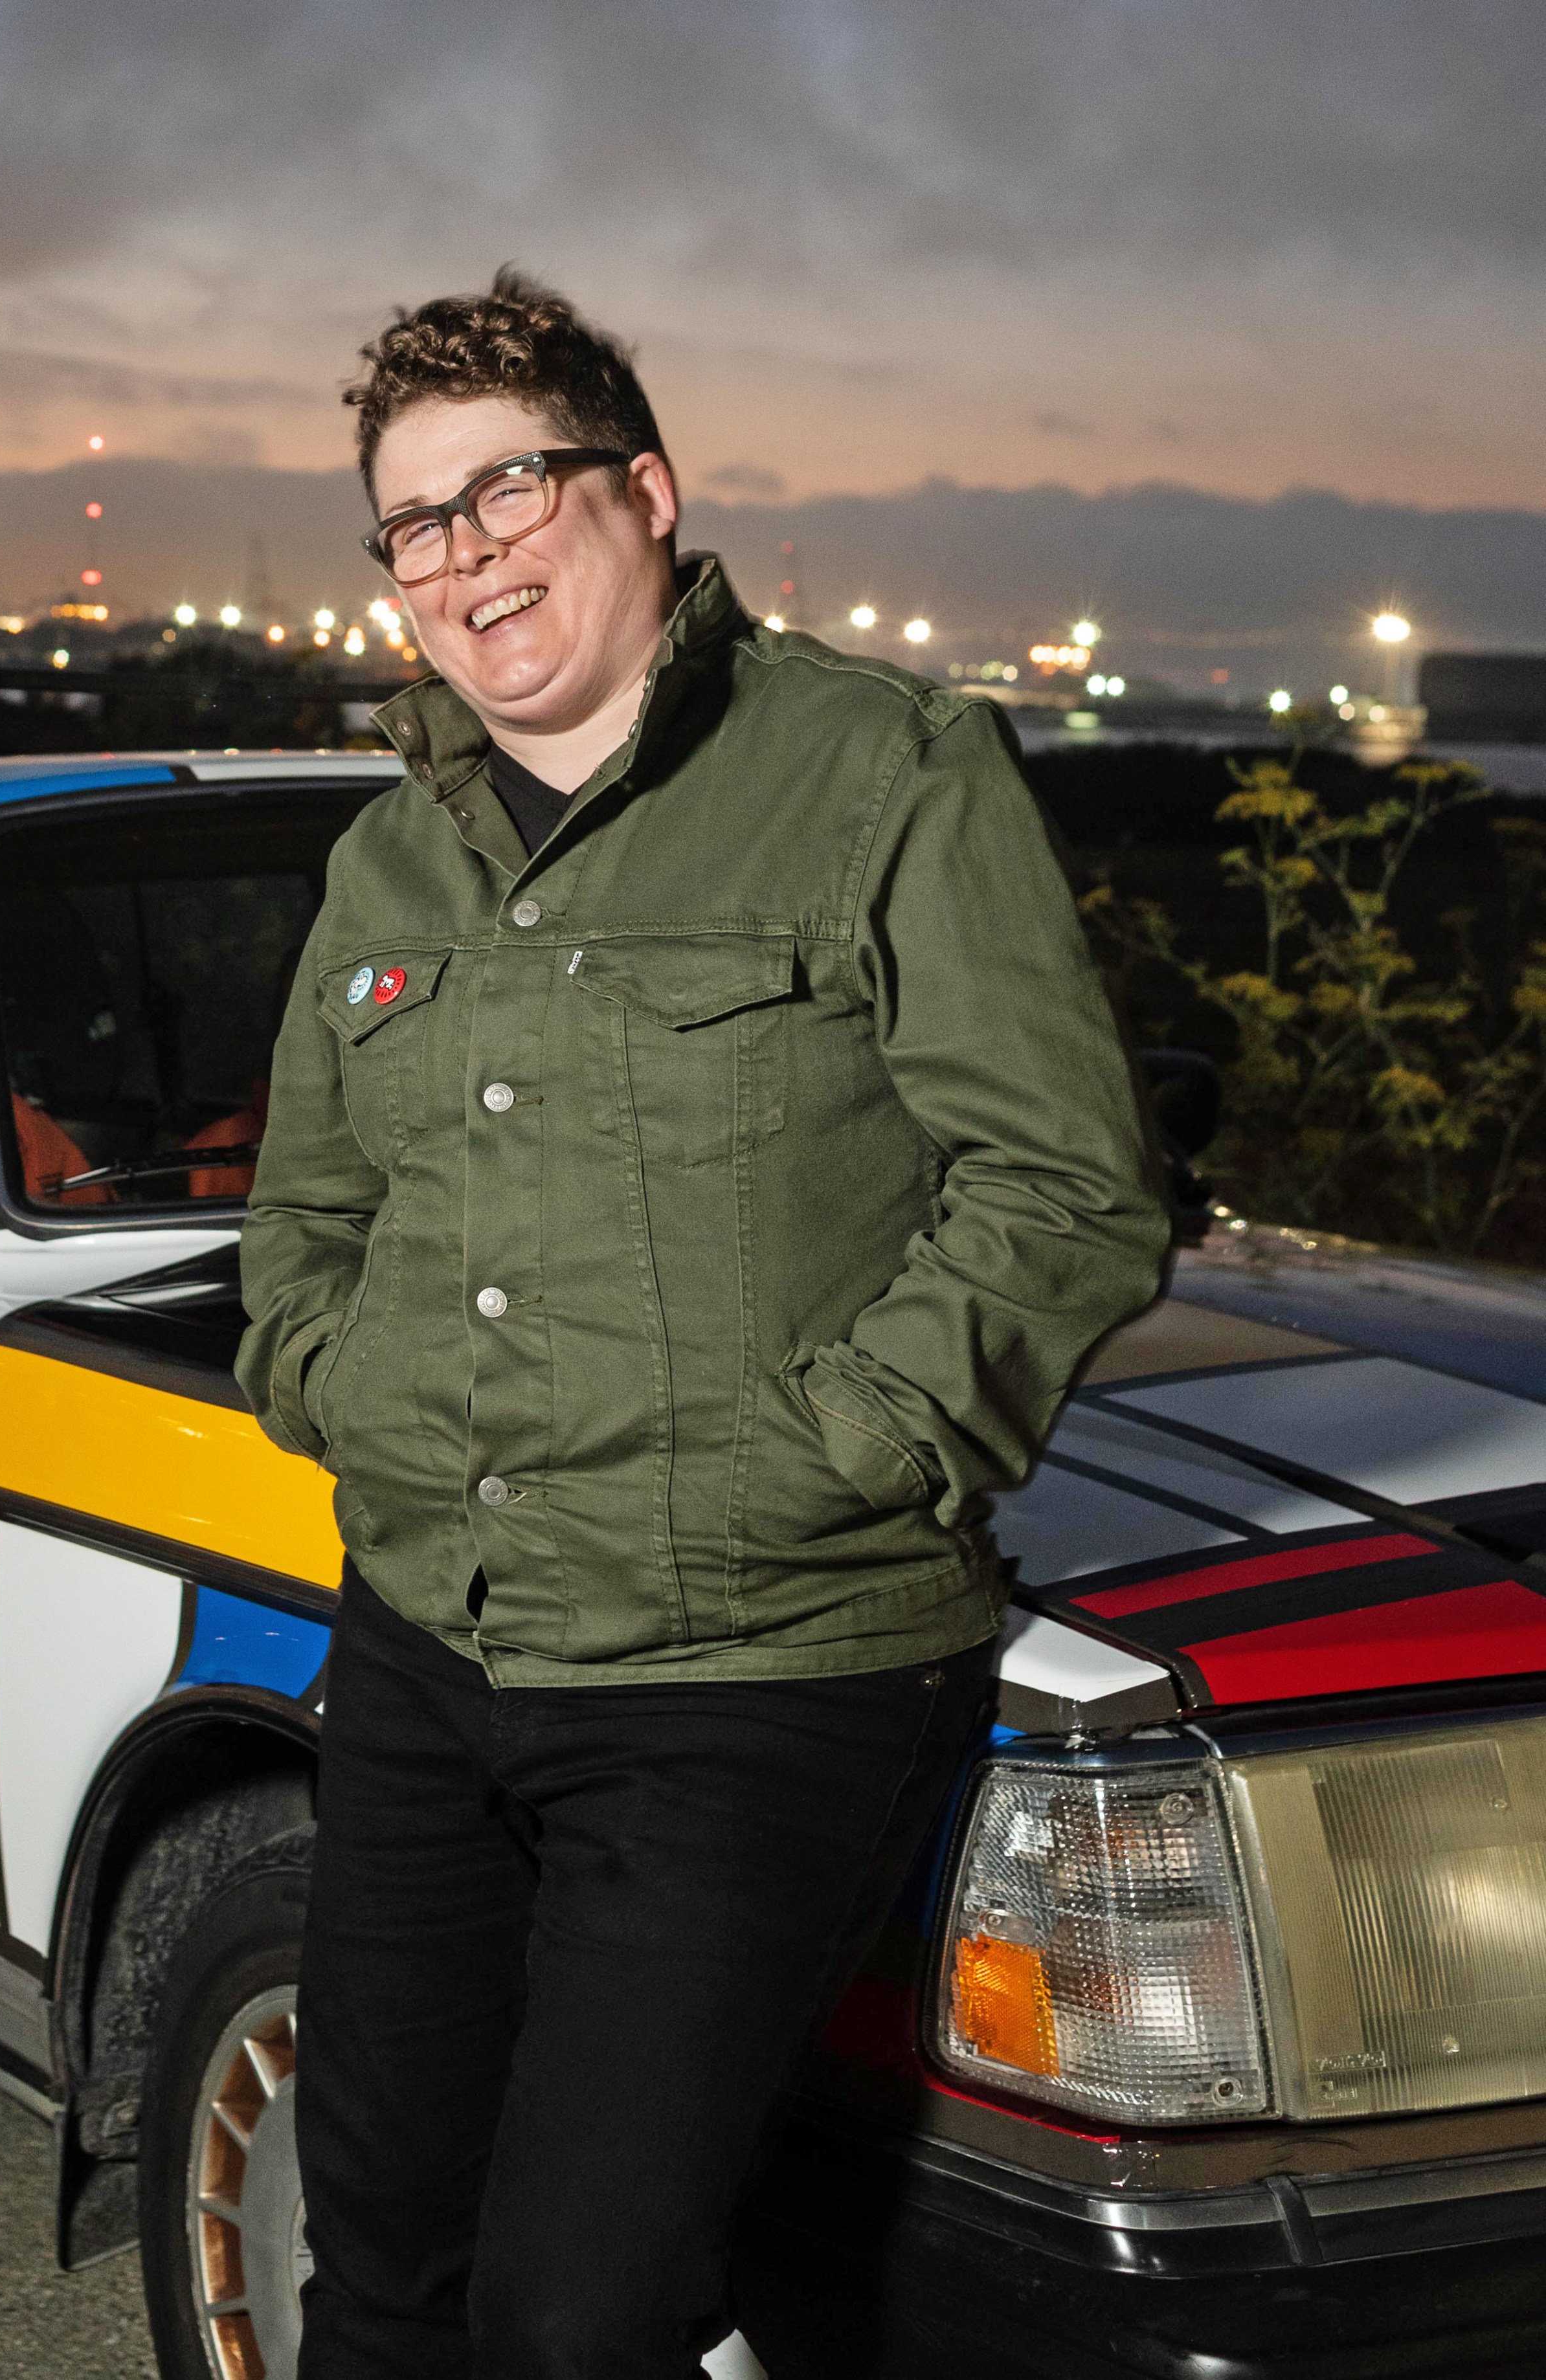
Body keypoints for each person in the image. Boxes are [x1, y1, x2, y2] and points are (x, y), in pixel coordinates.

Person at [234, 270, 1170, 2380]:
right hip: (425, 1648)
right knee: (373, 2253)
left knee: (583, 2320)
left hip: (753, 1668)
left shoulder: (882, 770)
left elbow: (1067, 1190)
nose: (465, 558)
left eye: (508, 490)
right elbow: (303, 1222)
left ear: (646, 493)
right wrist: (344, 1392)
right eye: (415, 526)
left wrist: (825, 1451)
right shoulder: (384, 866)